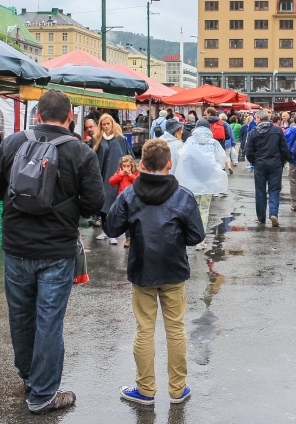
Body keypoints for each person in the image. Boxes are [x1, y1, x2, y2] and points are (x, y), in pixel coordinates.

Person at [0, 89, 105, 414]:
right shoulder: (81, 152)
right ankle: (43, 394)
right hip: (56, 248)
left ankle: (29, 376)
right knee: (49, 320)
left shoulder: (12, 143)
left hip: (16, 244)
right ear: (70, 117)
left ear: (37, 116)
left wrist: (19, 203)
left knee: (20, 315)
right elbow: (95, 202)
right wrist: (64, 208)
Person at [105, 139, 204, 407]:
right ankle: (177, 388)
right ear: (169, 165)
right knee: (175, 329)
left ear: (142, 165)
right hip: (173, 270)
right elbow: (196, 235)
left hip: (142, 270)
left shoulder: (129, 195)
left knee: (144, 330)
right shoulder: (183, 195)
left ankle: (146, 390)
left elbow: (111, 228)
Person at [175, 120, 230, 250]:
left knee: (190, 210)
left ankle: (188, 236)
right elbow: (221, 159)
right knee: (204, 211)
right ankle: (200, 241)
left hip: (191, 183)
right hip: (207, 182)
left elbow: (181, 157)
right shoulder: (213, 142)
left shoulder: (190, 141)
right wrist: (214, 169)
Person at [244, 111, 291, 226]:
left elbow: (249, 151)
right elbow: (284, 148)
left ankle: (261, 218)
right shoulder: (277, 130)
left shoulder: (253, 133)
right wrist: (282, 162)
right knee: (274, 190)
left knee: (260, 191)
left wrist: (254, 162)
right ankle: (273, 213)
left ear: (259, 118)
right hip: (275, 164)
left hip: (260, 165)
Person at [93, 113, 133, 244]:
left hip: (120, 176)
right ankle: (106, 230)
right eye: (103, 124)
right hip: (103, 176)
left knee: (118, 203)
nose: (106, 127)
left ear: (112, 124)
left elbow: (129, 156)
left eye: (108, 124)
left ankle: (115, 232)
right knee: (105, 202)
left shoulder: (120, 139)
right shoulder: (97, 139)